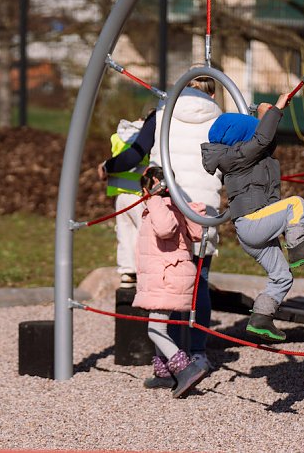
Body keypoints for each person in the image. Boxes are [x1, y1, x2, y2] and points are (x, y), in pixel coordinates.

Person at [200, 94, 304, 342]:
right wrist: (276, 109)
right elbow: (260, 140)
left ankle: (261, 319)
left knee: (282, 277)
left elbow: (263, 142)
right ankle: (298, 249)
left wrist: (265, 117)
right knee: (296, 205)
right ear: (239, 140)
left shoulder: (240, 154)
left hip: (251, 231)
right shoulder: (234, 156)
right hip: (253, 222)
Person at [149, 75, 222, 370]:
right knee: (199, 282)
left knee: (166, 280)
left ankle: (167, 356)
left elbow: (143, 153)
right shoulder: (220, 121)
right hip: (203, 211)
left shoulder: (162, 114)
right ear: (213, 95)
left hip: (169, 208)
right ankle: (198, 352)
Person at [133, 166, 209, 398]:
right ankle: (164, 373)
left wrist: (155, 198)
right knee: (160, 325)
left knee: (155, 329)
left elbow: (165, 229)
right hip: (170, 274)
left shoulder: (163, 206)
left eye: (144, 189)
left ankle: (186, 370)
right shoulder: (176, 206)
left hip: (167, 276)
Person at [97, 104, 156, 287]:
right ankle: (143, 269)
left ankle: (127, 271)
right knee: (142, 232)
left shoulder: (119, 135)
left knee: (124, 233)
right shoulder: (146, 136)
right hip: (139, 194)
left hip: (120, 194)